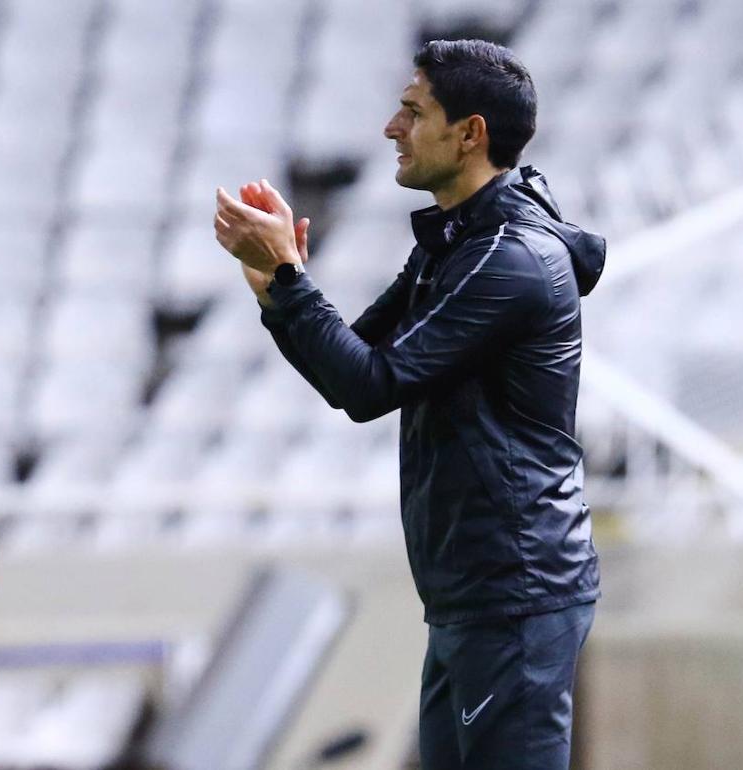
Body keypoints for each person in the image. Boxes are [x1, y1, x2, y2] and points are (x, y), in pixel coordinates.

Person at [213, 40, 605, 769]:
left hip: (515, 596)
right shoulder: (456, 243)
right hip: (470, 597)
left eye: (412, 110)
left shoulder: (511, 260)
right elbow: (349, 365)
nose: (392, 128)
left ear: (470, 134)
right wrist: (276, 287)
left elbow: (371, 386)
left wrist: (294, 282)